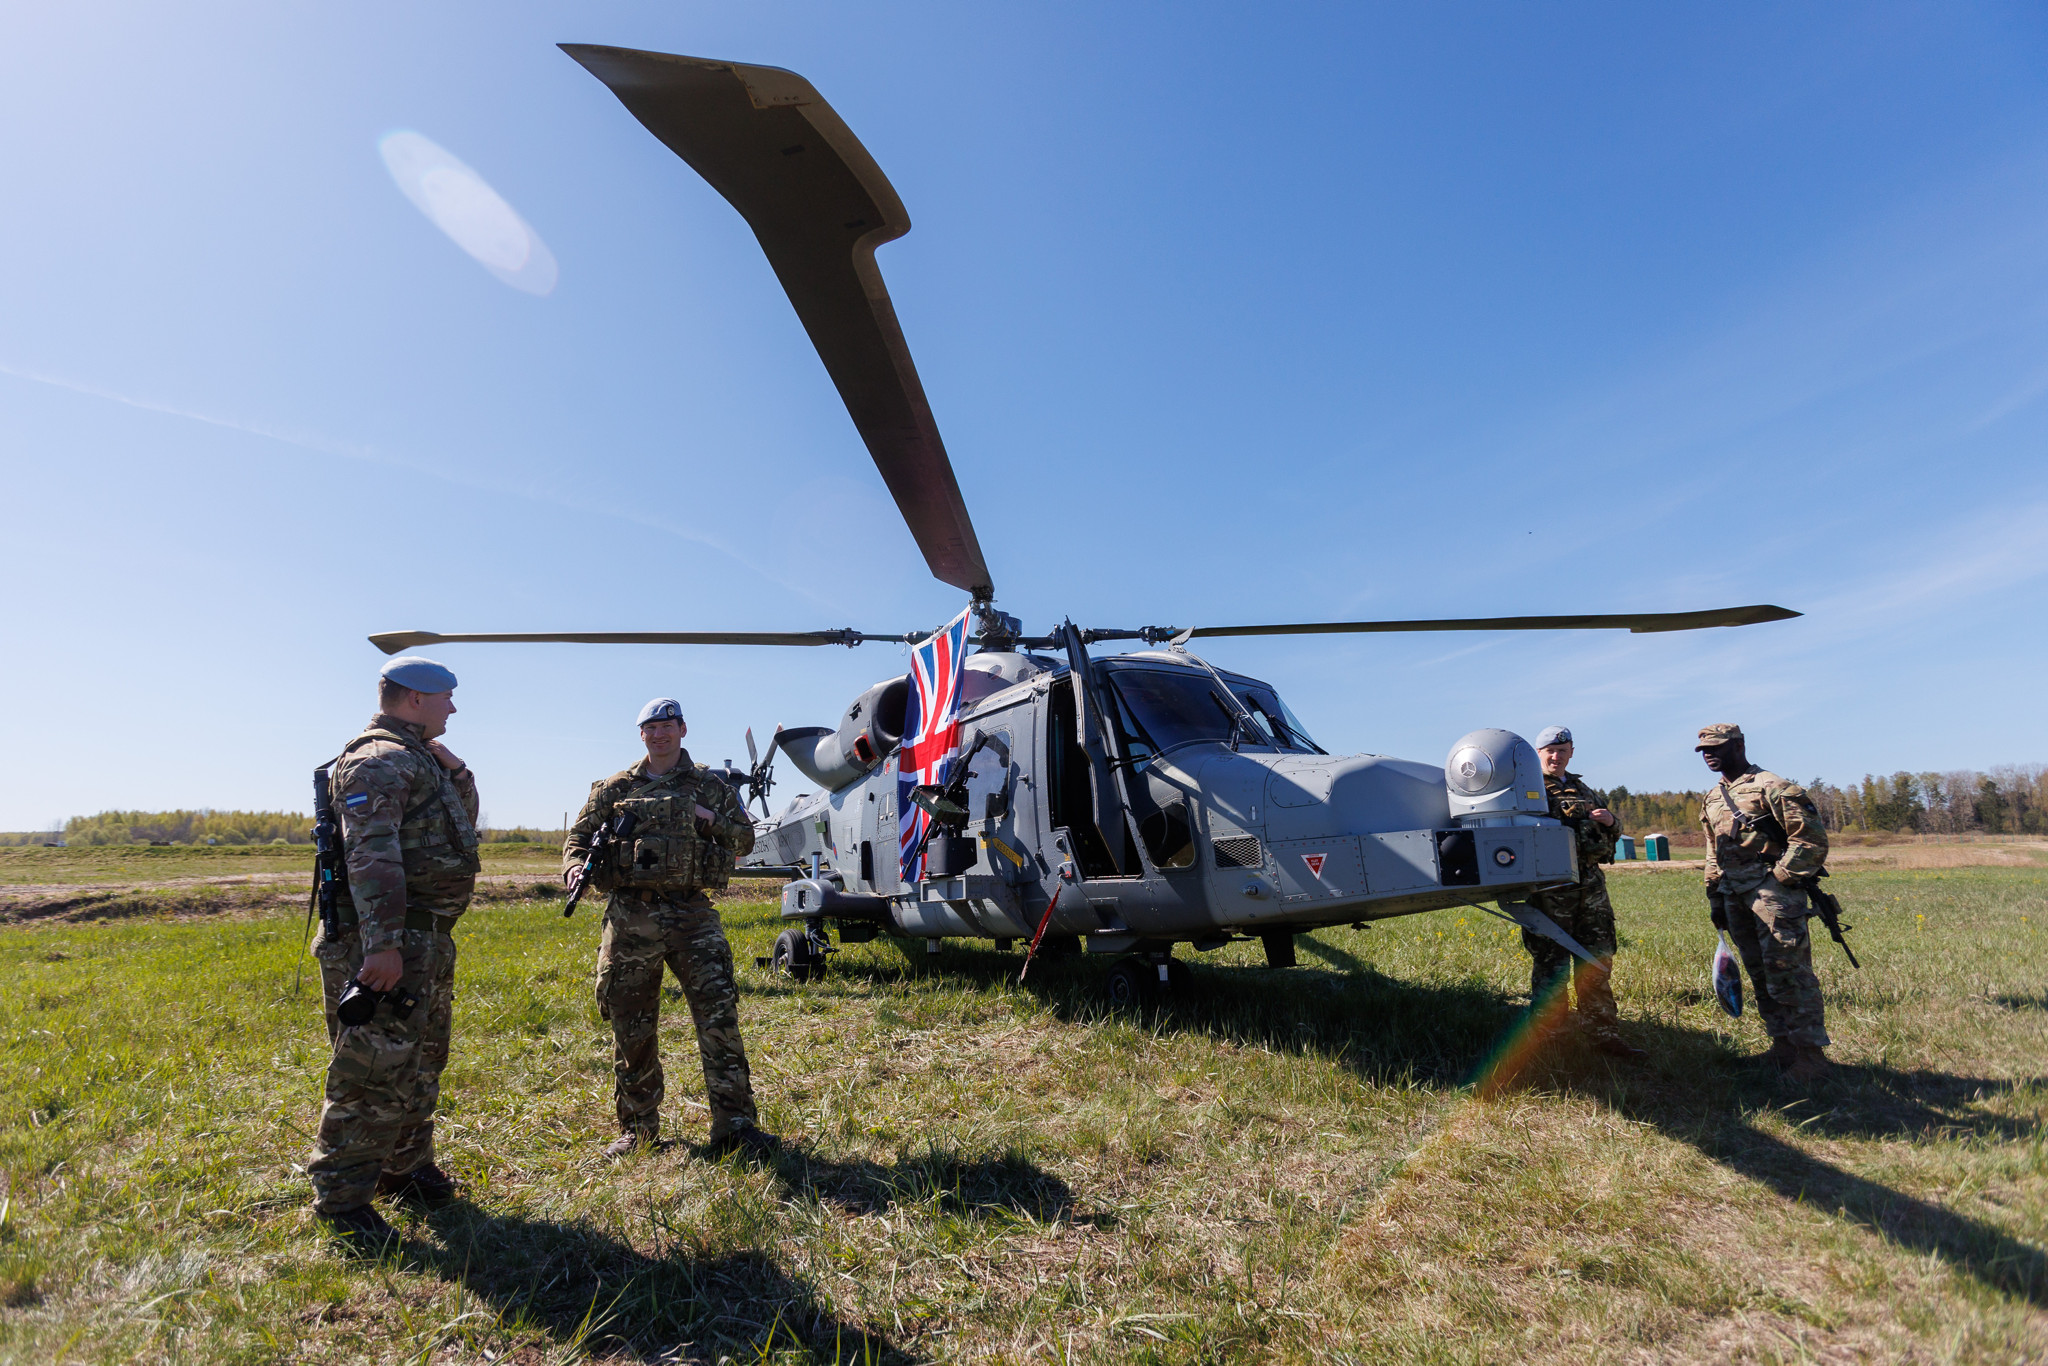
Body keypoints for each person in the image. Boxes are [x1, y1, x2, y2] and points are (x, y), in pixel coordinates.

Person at [307, 655, 482, 1246]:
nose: (452, 709)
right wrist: (381, 946)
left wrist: (455, 769)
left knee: (421, 1059)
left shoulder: (415, 758)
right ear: (414, 699)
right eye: (446, 698)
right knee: (371, 1070)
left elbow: (458, 826)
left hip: (422, 938)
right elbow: (371, 855)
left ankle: (403, 1167)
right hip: (386, 940)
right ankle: (342, 1196)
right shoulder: (380, 761)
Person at [564, 697, 773, 1159]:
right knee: (630, 1024)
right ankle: (638, 1129)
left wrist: (709, 819)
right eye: (649, 728)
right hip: (630, 917)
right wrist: (574, 868)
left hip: (692, 915)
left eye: (667, 726)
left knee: (718, 1017)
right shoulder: (617, 787)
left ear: (682, 729)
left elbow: (745, 837)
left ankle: (735, 1127)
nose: (658, 735)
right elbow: (578, 838)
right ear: (642, 735)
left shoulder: (708, 786)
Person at [1696, 723, 1833, 1083]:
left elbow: (1811, 840)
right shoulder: (1712, 797)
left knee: (1789, 973)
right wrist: (1714, 894)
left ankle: (1811, 1056)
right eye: (1704, 750)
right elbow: (1713, 851)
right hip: (1734, 896)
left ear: (1738, 745)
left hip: (1772, 898)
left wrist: (1780, 881)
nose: (1710, 754)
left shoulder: (1772, 786)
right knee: (1759, 973)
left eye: (1717, 747)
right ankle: (1782, 1047)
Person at [1523, 726, 1643, 1058]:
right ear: (1538, 753)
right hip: (1550, 893)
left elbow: (1614, 828)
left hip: (1590, 891)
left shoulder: (1582, 788)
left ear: (1571, 752)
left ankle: (1604, 1035)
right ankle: (1552, 1040)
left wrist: (1610, 821)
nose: (1555, 756)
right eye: (1548, 750)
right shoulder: (1528, 789)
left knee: (1596, 964)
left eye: (1561, 750)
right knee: (1552, 967)